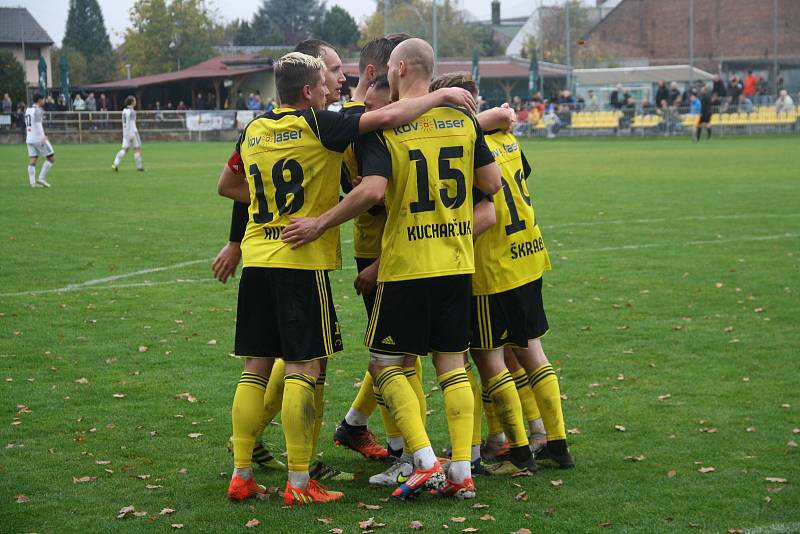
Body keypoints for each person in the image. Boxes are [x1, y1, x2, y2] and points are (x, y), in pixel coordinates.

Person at [216, 49, 478, 505]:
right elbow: (389, 117)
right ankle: (299, 484)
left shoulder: (254, 129)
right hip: (300, 260)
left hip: (257, 260)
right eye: (326, 82)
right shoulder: (321, 124)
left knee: (254, 368)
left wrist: (265, 213)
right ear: (307, 91)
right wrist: (444, 98)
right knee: (305, 368)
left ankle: (241, 475)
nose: (332, 89)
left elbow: (230, 186)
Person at [281, 38, 501, 501]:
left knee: (385, 363)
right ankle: (462, 470)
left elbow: (373, 191)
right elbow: (491, 183)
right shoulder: (462, 120)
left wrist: (321, 221)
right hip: (457, 261)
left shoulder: (388, 131)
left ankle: (421, 458)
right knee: (452, 366)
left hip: (404, 264)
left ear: (398, 69)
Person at [24, 93, 55, 188]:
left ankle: (33, 183)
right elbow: (38, 125)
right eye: (43, 99)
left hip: (29, 138)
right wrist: (43, 136)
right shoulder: (38, 110)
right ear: (39, 100)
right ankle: (41, 178)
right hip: (38, 138)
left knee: (33, 159)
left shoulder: (28, 110)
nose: (44, 101)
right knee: (51, 158)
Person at [111, 95, 144, 172]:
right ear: (132, 102)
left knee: (125, 149)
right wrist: (132, 134)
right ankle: (139, 167)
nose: (135, 102)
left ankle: (115, 163)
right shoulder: (132, 112)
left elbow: (125, 123)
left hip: (125, 133)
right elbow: (132, 123)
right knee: (137, 148)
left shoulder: (124, 111)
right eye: (134, 100)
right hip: (133, 132)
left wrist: (127, 134)